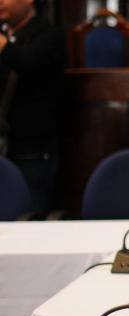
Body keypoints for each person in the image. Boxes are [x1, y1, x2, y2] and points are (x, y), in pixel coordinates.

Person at [0, 0, 65, 215]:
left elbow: (28, 63)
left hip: (33, 151)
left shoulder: (49, 35)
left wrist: (2, 45)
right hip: (3, 147)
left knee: (29, 216)